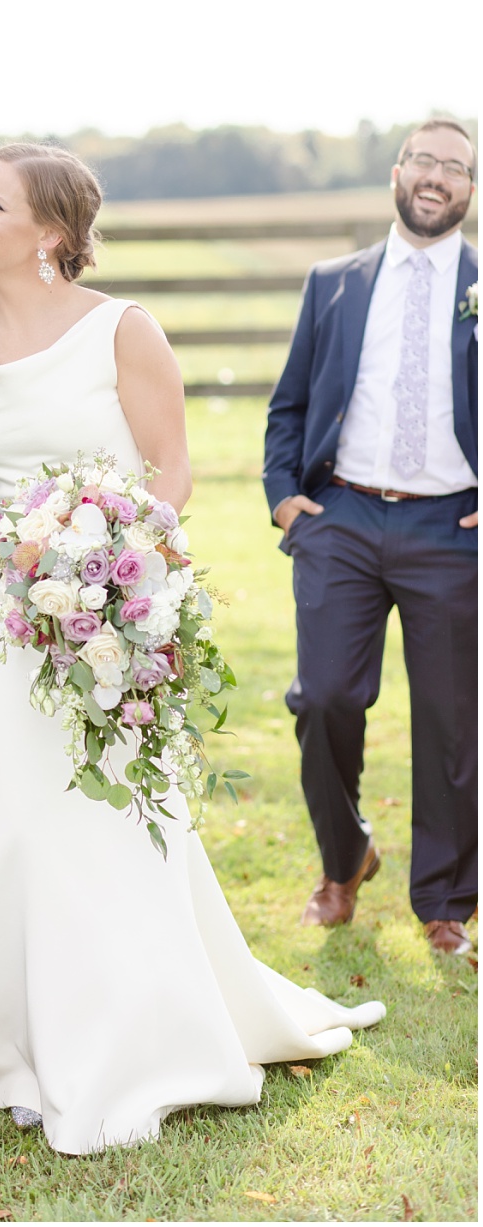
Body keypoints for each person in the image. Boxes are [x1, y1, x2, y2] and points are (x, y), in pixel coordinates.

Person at [0, 142, 384, 1157]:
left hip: (116, 609)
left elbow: (171, 470)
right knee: (36, 823)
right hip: (13, 625)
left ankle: (149, 1037)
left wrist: (104, 547)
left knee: (130, 815)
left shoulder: (123, 330)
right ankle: (31, 1041)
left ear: (50, 231)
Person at [264, 119, 477, 954]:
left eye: (454, 167)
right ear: (396, 172)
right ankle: (343, 858)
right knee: (322, 697)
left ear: (468, 188)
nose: (435, 177)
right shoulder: (334, 282)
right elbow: (287, 402)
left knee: (451, 716)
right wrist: (283, 495)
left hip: (450, 523)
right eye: (423, 160)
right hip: (341, 517)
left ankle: (444, 900)